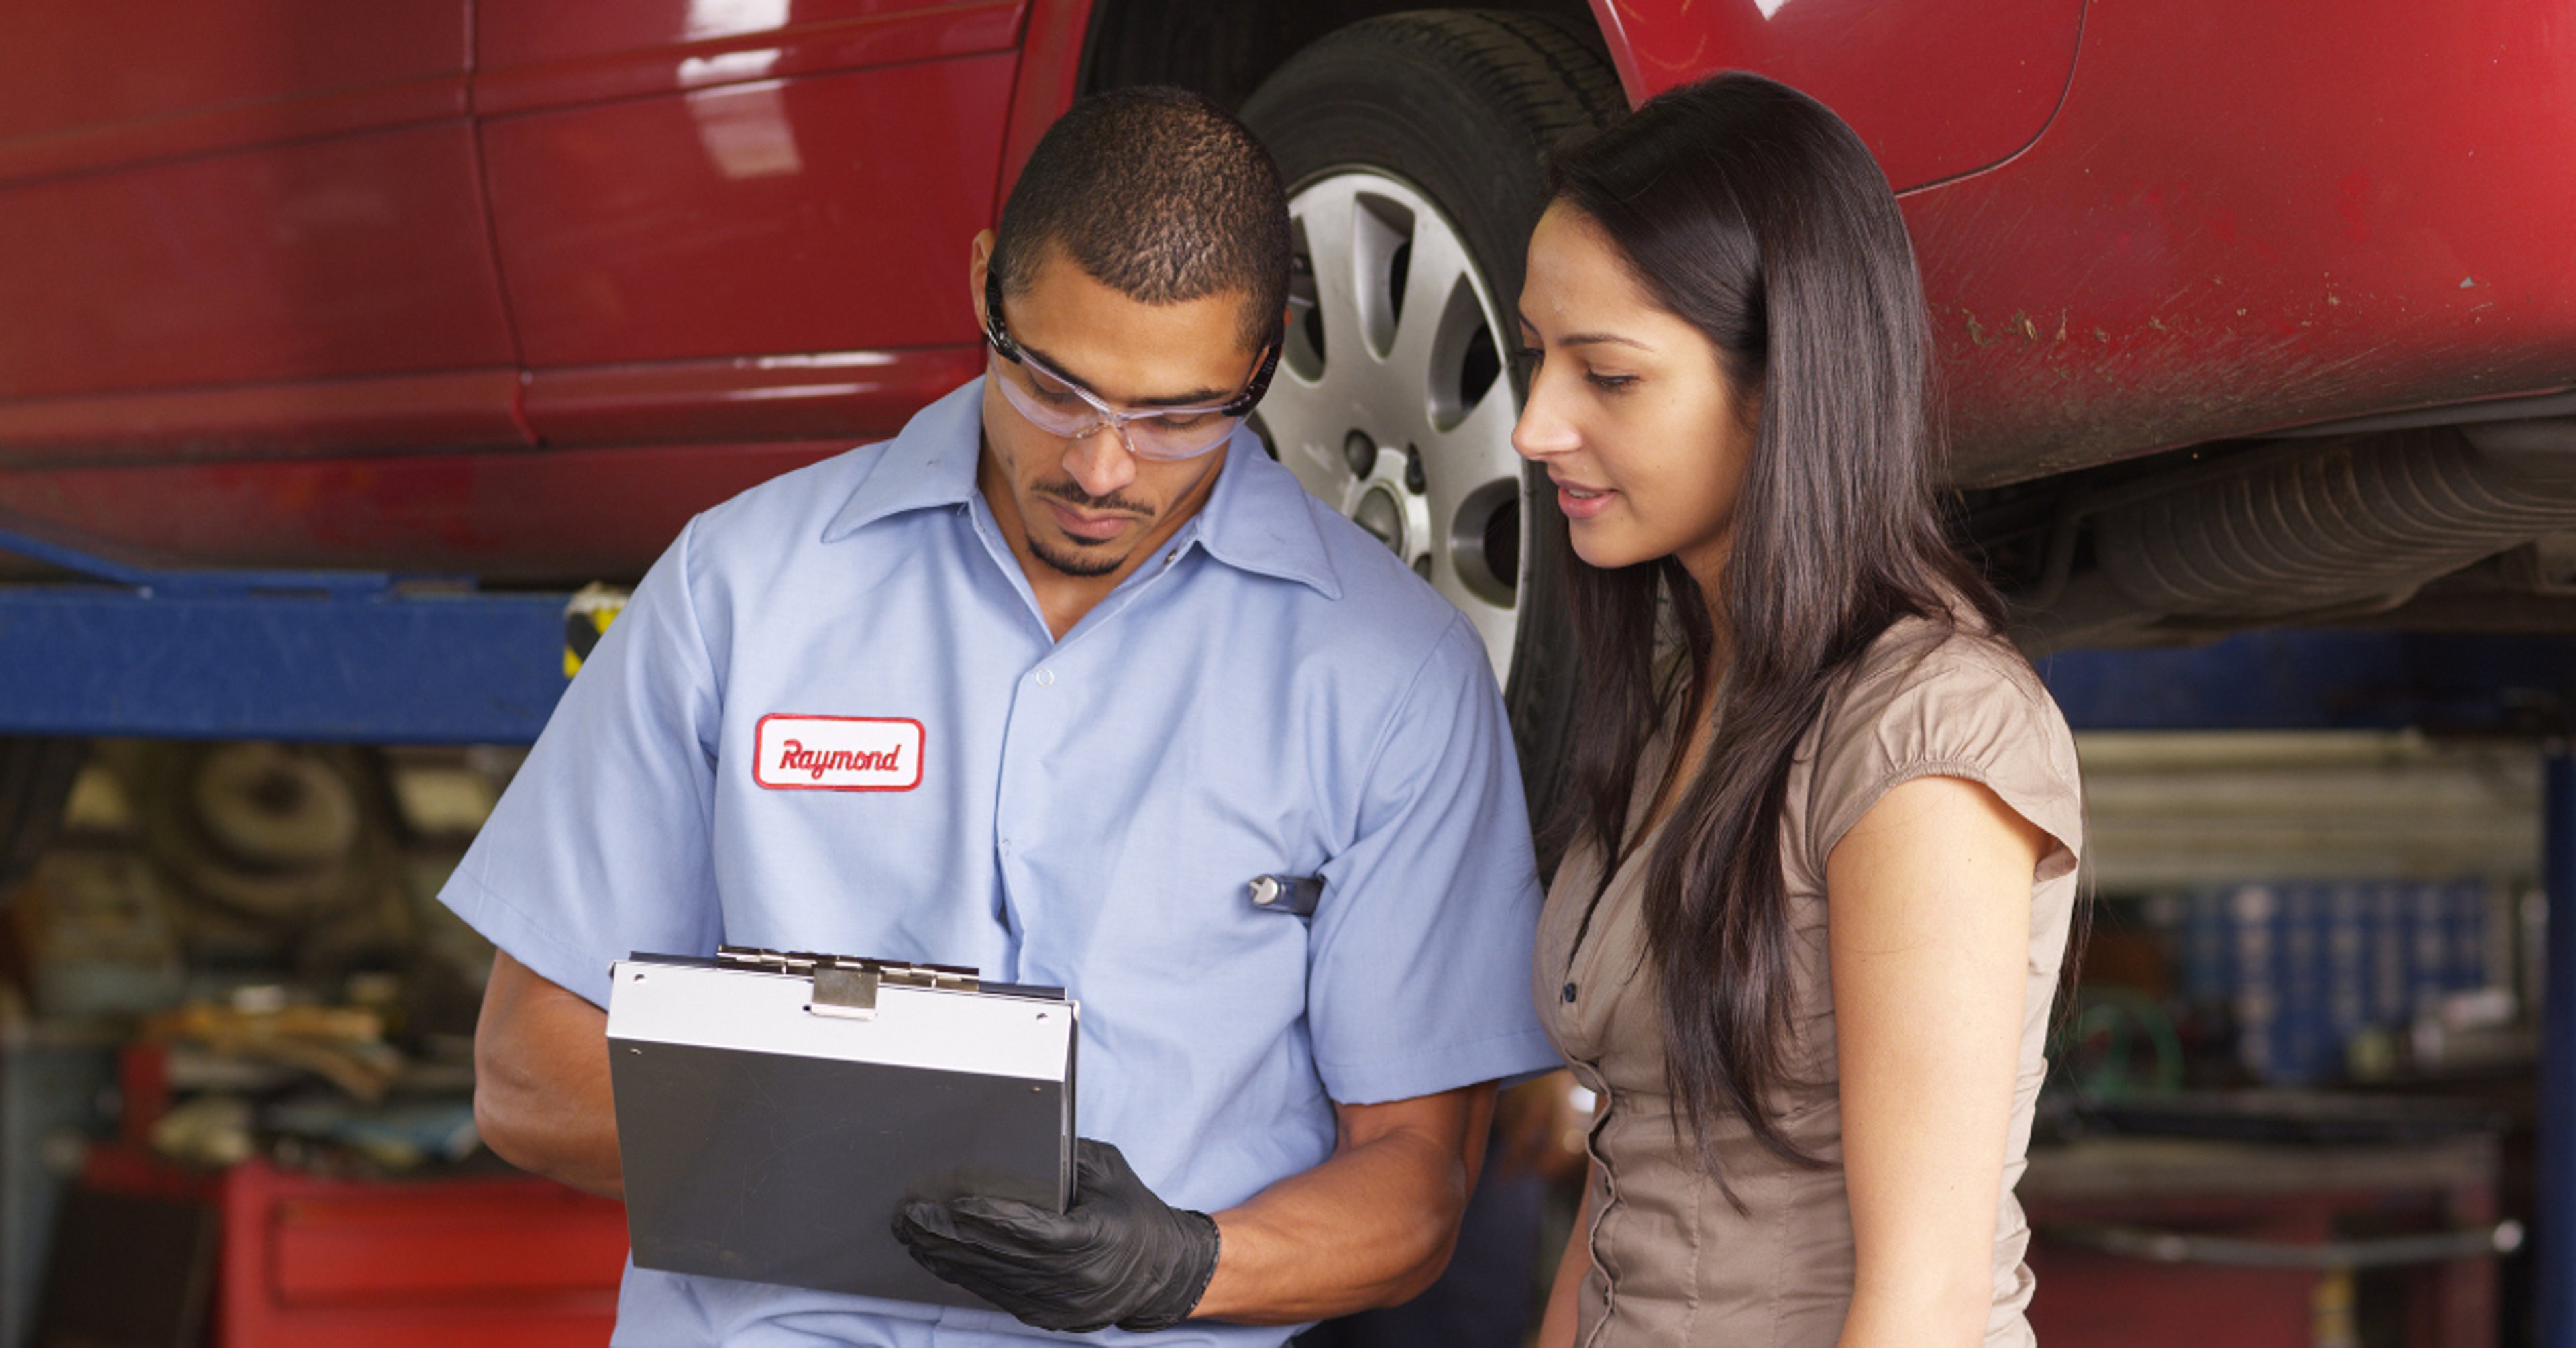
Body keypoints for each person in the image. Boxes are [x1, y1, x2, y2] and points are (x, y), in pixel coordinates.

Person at [452, 87, 1562, 1347]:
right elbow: (526, 1074)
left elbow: (1417, 1185)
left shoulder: (1394, 674)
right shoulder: (740, 589)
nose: (1101, 467)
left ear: (1270, 355)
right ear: (986, 285)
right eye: (1055, 387)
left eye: (1178, 416)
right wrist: (892, 1162)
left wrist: (1185, 1264)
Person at [1511, 74, 2086, 1347]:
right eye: (1538, 355)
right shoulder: (1694, 700)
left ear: (1782, 385)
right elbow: (1629, 1190)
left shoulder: (1926, 733)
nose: (1534, 423)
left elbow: (1922, 1304)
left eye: (1606, 374)